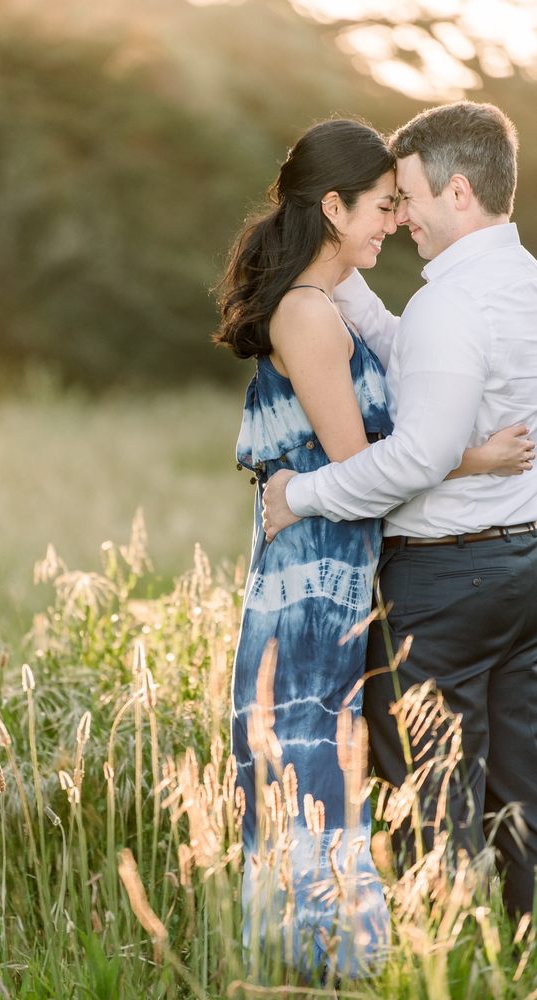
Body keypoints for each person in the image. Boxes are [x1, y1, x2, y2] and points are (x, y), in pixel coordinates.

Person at [213, 117, 528, 982]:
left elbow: (394, 397)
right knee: (319, 761)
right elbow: (370, 457)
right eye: (383, 206)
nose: (396, 220)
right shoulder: (314, 315)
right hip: (318, 575)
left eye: (404, 201)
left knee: (359, 770)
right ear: (333, 206)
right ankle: (322, 963)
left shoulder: (350, 302)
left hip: (355, 564)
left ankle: (382, 958)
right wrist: (477, 455)